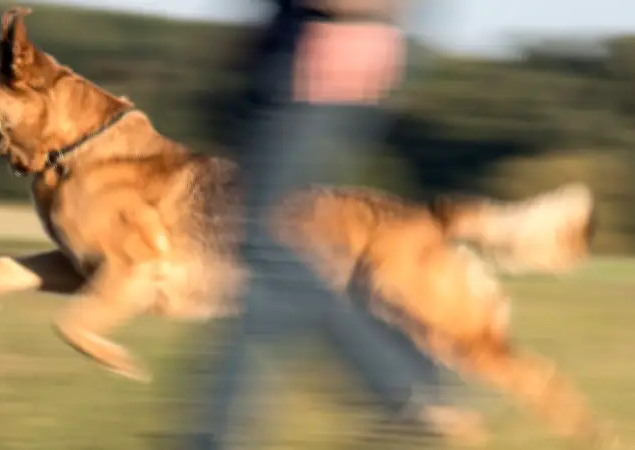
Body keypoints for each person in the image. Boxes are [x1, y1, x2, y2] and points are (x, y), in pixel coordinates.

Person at [196, 0, 481, 448]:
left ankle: (403, 385)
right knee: (260, 250)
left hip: (331, 42)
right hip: (292, 41)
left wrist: (366, 22)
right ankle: (409, 386)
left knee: (267, 244)